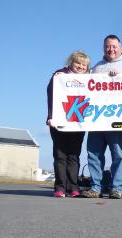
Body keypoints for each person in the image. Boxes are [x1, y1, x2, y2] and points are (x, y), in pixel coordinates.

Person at [81, 34, 122, 199]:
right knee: (93, 153)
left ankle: (116, 188)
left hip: (119, 119)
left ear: (121, 47)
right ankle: (95, 187)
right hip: (97, 119)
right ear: (103, 48)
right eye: (107, 46)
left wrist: (121, 78)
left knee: (118, 155)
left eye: (114, 46)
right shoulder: (96, 68)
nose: (111, 49)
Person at [46, 51, 90, 198]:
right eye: (78, 63)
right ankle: (60, 187)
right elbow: (51, 96)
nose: (80, 67)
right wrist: (51, 116)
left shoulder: (90, 79)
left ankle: (73, 187)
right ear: (71, 62)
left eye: (84, 65)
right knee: (60, 155)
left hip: (78, 122)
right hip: (60, 121)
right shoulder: (59, 76)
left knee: (74, 156)